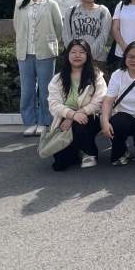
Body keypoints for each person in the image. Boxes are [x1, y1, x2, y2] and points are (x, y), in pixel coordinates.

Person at [14, 0, 63, 136]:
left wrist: (50, 41)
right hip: (25, 52)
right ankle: (30, 122)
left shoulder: (51, 4)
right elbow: (16, 26)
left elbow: (58, 27)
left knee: (46, 89)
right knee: (27, 90)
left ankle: (44, 121)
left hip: (45, 52)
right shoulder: (20, 5)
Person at [46, 39, 107, 171]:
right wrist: (72, 115)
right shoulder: (58, 79)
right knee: (60, 162)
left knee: (80, 123)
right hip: (65, 118)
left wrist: (76, 115)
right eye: (73, 52)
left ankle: (89, 153)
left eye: (82, 52)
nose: (77, 55)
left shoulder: (96, 77)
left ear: (88, 55)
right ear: (68, 55)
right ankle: (77, 150)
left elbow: (98, 102)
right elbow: (54, 104)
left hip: (90, 118)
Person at [62, 0, 112, 72]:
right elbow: (66, 34)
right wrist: (76, 52)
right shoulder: (72, 11)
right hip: (76, 58)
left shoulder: (103, 11)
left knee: (96, 81)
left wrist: (88, 53)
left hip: (97, 59)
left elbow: (104, 35)